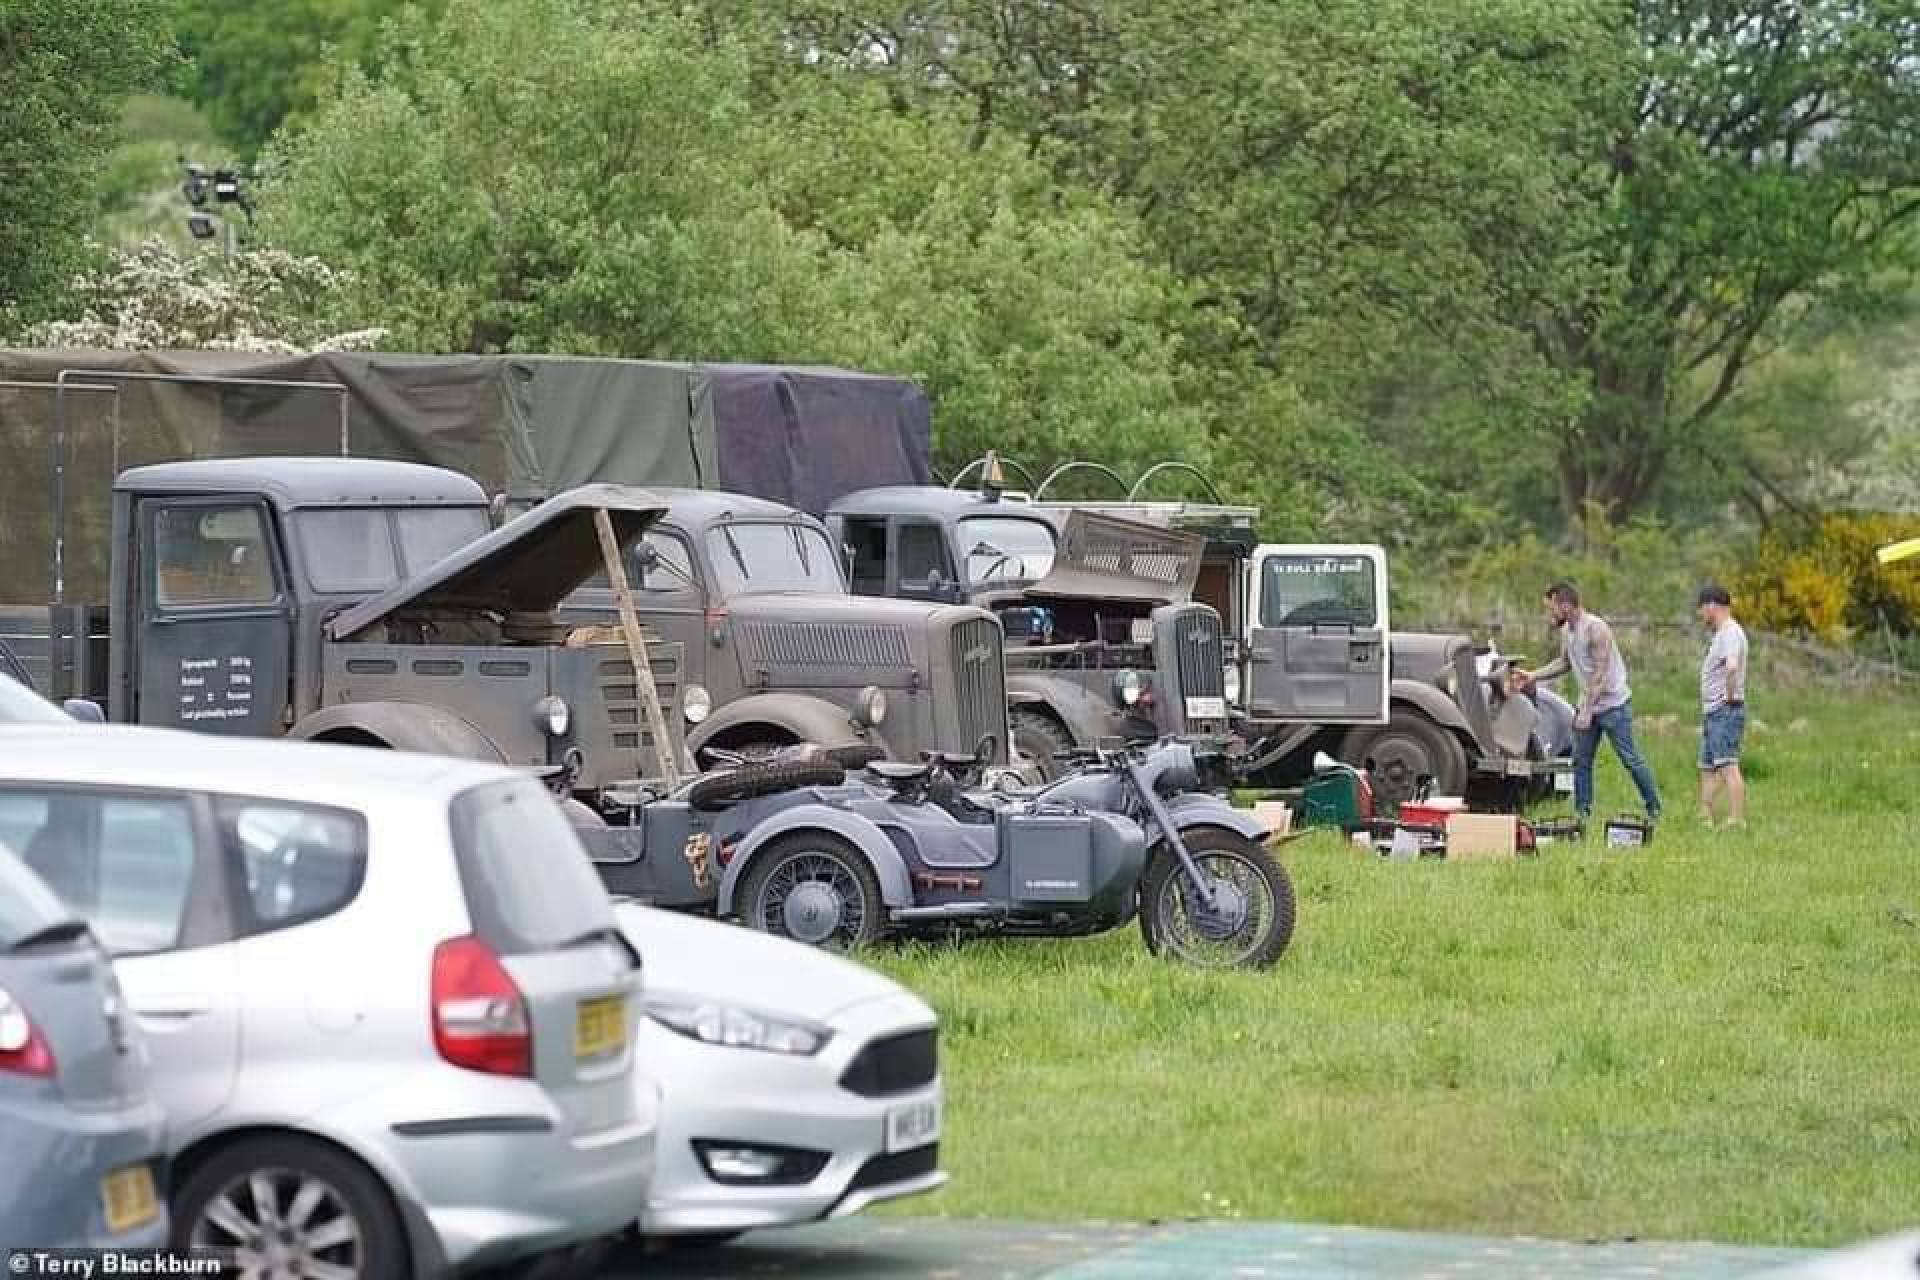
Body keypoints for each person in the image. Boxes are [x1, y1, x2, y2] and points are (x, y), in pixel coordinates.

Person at [1513, 582, 1661, 825]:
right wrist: (1533, 676)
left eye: (1552, 608)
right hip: (1588, 704)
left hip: (1613, 706)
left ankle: (1654, 808)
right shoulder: (1567, 631)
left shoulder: (1596, 629)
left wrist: (1587, 711)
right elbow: (1564, 663)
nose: (1550, 614)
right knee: (1581, 762)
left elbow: (1600, 675)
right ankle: (1582, 814)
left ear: (1565, 605)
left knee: (1630, 759)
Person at [1695, 583, 1748, 827]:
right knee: (1707, 766)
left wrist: (1728, 694)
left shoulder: (1730, 633)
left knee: (1728, 766)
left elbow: (1732, 665)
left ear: (1711, 606)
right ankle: (1705, 815)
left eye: (1701, 609)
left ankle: (1736, 820)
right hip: (1713, 712)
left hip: (1724, 711)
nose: (1700, 615)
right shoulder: (1722, 634)